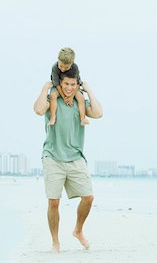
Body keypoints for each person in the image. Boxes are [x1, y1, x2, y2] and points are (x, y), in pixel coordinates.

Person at [33, 67, 103, 252]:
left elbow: (98, 113)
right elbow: (39, 110)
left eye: (73, 84)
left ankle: (78, 231)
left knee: (88, 197)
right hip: (53, 156)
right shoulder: (52, 99)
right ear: (60, 84)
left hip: (75, 157)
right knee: (53, 201)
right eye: (66, 84)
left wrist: (88, 90)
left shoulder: (80, 102)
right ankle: (55, 242)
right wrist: (44, 89)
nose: (70, 88)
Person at [48, 47, 89, 127]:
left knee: (80, 97)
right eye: (61, 66)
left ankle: (82, 118)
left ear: (72, 63)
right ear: (58, 60)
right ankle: (53, 117)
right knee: (53, 95)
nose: (63, 69)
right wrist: (64, 97)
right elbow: (56, 84)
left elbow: (77, 83)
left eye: (66, 67)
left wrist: (71, 96)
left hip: (72, 88)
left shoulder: (75, 67)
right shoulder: (55, 68)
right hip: (59, 87)